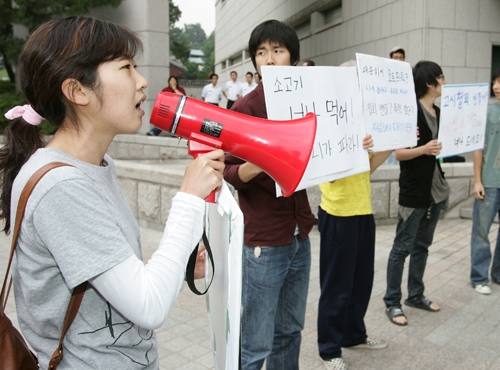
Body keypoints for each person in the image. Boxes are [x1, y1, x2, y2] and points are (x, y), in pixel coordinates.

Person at [1, 16, 224, 369]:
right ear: (77, 91)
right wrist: (189, 198)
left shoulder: (94, 166)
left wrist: (178, 265)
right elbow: (148, 306)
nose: (142, 81)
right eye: (126, 68)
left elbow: (126, 287)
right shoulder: (61, 187)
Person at [223, 20, 316, 370]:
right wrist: (260, 161)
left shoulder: (309, 102)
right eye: (261, 52)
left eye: (277, 50)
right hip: (264, 239)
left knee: (291, 330)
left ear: (293, 58)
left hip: (299, 232)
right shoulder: (246, 107)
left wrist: (355, 143)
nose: (269, 58)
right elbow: (230, 170)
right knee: (255, 342)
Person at [317, 59, 390, 370]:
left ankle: (354, 334)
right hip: (337, 212)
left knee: (361, 280)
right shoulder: (327, 118)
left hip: (363, 210)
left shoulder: (363, 121)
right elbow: (327, 172)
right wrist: (350, 148)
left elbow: (369, 167)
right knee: (336, 284)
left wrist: (392, 141)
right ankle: (329, 348)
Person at [383, 61, 449, 326]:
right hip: (413, 193)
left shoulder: (440, 112)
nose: (444, 82)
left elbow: (443, 147)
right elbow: (399, 153)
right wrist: (424, 149)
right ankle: (392, 302)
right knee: (402, 248)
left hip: (435, 191)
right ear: (429, 83)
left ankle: (416, 295)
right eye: (441, 78)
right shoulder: (409, 112)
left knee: (423, 245)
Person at [469, 68, 500, 295]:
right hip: (489, 182)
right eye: (495, 82)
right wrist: (477, 180)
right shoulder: (487, 112)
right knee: (481, 231)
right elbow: (478, 148)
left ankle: (497, 274)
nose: (496, 87)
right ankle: (479, 277)